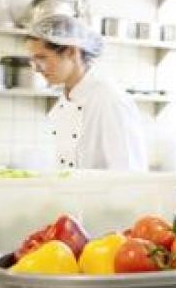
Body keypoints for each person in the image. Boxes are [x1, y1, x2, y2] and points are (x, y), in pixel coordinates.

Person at [25, 14, 148, 171]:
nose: (36, 68)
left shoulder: (109, 100)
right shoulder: (65, 99)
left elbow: (130, 175)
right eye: (34, 61)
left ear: (71, 52)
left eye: (42, 58)